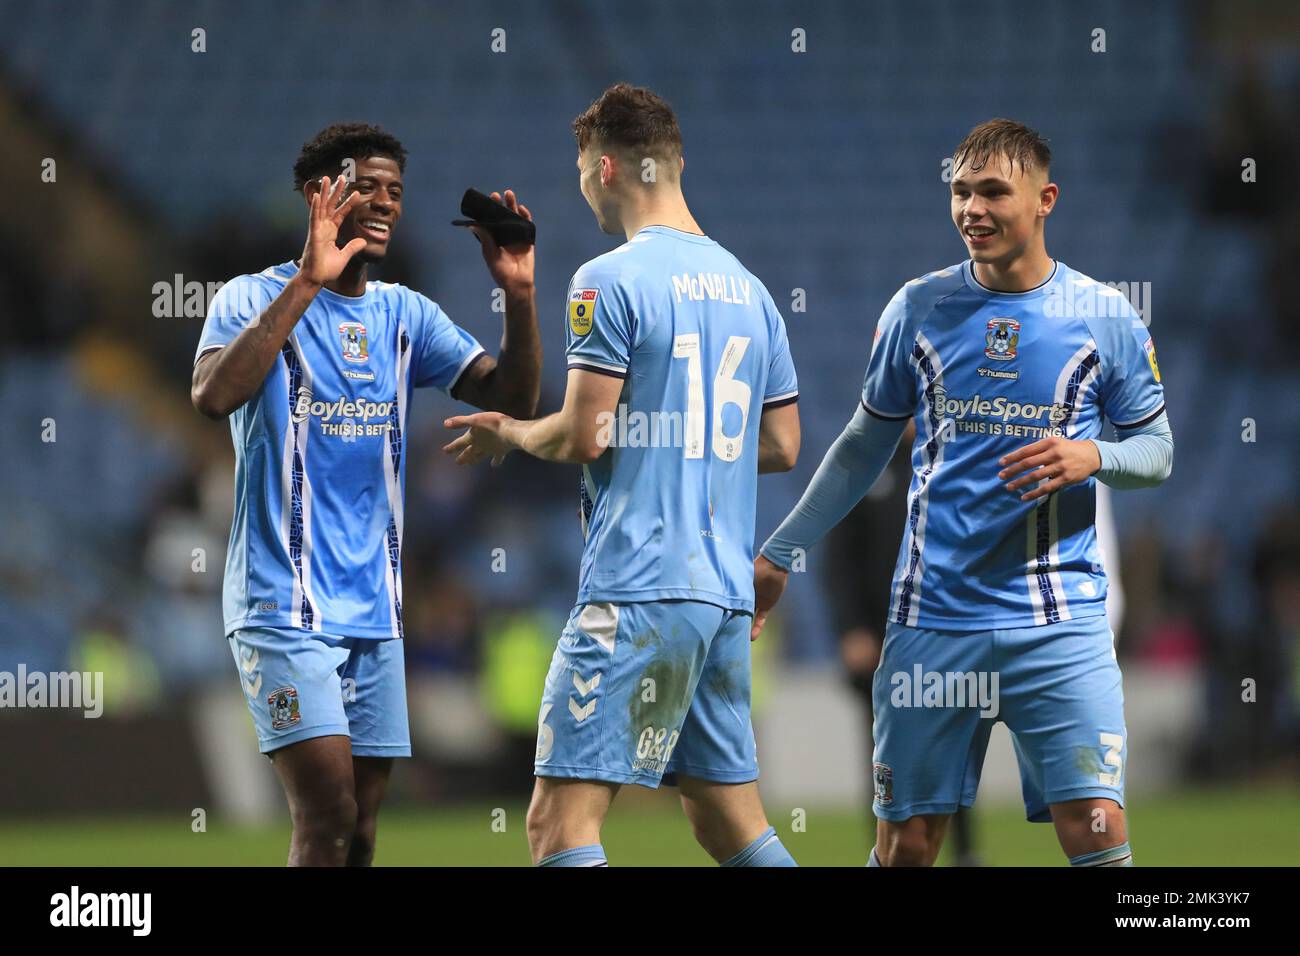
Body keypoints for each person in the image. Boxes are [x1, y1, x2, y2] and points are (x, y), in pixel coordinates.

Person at [753, 119, 1173, 867]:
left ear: (1046, 199)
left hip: (1061, 622)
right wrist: (783, 549)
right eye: (959, 192)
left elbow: (1157, 452)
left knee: (1097, 826)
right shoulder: (916, 310)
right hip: (934, 621)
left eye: (992, 192)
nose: (971, 209)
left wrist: (1092, 455)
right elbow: (860, 446)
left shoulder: (1105, 315)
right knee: (909, 844)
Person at [444, 84, 802, 867]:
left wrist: (509, 432)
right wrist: (687, 443)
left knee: (558, 824)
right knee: (727, 819)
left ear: (606, 167)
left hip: (636, 585)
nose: (581, 187)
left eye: (580, 171)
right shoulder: (753, 291)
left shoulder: (608, 280)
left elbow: (580, 434)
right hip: (721, 596)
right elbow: (781, 444)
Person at [191, 123, 541, 865]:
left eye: (396, 191)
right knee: (326, 813)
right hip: (279, 607)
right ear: (322, 195)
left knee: (362, 831)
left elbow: (516, 397)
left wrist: (519, 293)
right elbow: (213, 396)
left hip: (374, 611)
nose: (385, 203)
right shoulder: (250, 299)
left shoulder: (403, 315)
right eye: (367, 186)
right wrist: (307, 282)